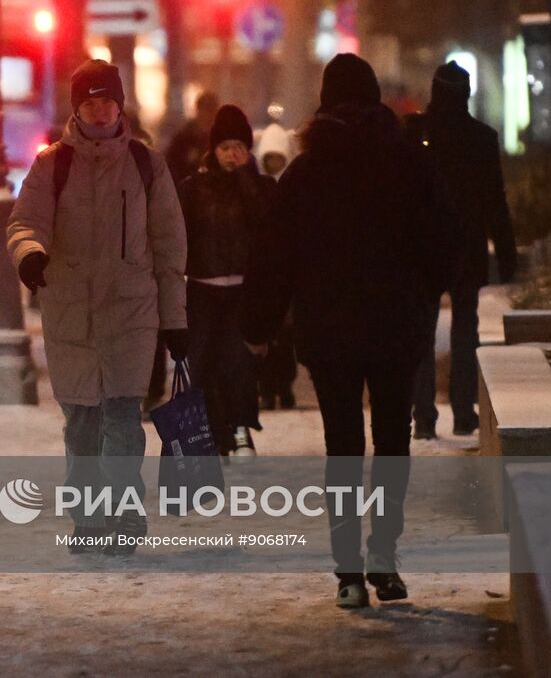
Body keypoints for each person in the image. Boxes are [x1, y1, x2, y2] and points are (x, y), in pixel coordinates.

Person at [242, 53, 452, 609]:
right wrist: (429, 291)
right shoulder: (408, 162)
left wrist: (259, 325)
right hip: (394, 324)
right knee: (390, 444)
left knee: (342, 447)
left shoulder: (306, 173)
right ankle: (385, 559)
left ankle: (348, 574)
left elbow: (275, 254)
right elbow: (439, 238)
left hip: (330, 328)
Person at [8, 59, 188, 556]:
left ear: (121, 104)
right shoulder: (52, 165)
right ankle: (89, 518)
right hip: (70, 316)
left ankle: (125, 513)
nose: (100, 110)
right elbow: (24, 223)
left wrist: (176, 321)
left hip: (130, 314)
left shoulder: (147, 165)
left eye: (107, 100)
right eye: (90, 102)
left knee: (123, 418)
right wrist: (31, 256)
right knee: (83, 424)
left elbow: (170, 249)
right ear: (77, 108)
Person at [410, 62, 517, 437]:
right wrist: (506, 253)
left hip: (422, 248)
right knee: (465, 328)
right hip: (466, 246)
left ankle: (423, 417)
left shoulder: (416, 133)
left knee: (421, 332)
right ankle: (462, 412)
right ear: (467, 93)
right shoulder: (482, 138)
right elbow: (495, 201)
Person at [177, 104, 275, 459]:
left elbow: (268, 230)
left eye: (238, 147)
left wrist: (245, 180)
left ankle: (240, 428)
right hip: (203, 288)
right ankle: (210, 436)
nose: (231, 155)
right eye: (224, 147)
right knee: (201, 365)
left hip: (243, 291)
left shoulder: (261, 187)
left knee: (239, 365)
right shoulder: (193, 188)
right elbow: (178, 236)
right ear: (212, 151)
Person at [253, 105, 300, 410]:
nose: (272, 164)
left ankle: (283, 386)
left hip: (286, 271)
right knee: (267, 336)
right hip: (264, 272)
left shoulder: (293, 184)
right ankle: (269, 387)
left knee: (285, 337)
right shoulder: (256, 187)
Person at [165, 90, 220, 184]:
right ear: (198, 110)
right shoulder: (184, 138)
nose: (209, 114)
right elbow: (172, 166)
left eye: (212, 110)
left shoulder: (221, 138)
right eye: (206, 109)